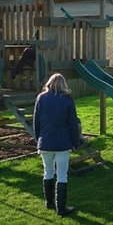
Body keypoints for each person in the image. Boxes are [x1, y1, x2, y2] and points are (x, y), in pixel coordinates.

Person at [33, 73, 80, 216]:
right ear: (63, 84)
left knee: (48, 172)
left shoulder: (41, 98)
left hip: (45, 141)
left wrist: (38, 140)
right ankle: (61, 208)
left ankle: (49, 202)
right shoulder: (67, 100)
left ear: (49, 83)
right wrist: (75, 142)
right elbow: (73, 123)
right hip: (62, 142)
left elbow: (36, 122)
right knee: (62, 175)